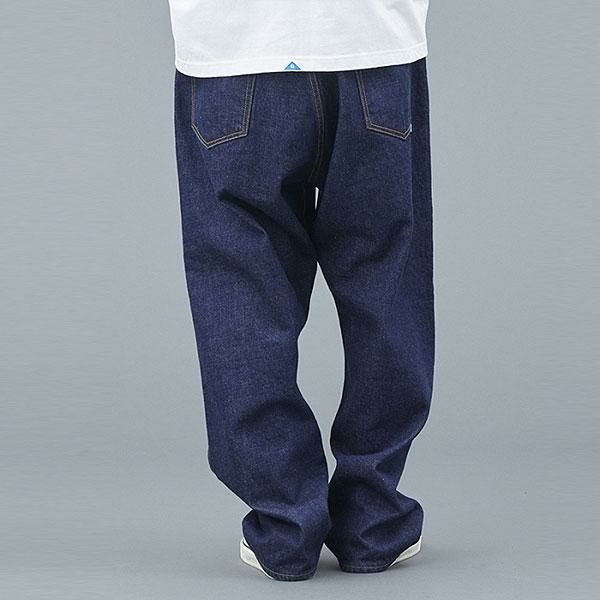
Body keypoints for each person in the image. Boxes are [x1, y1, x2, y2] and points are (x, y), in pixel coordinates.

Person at [168, 0, 434, 582]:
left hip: (234, 55)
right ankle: (373, 520)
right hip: (373, 47)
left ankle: (285, 524)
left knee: (241, 293)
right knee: (387, 286)